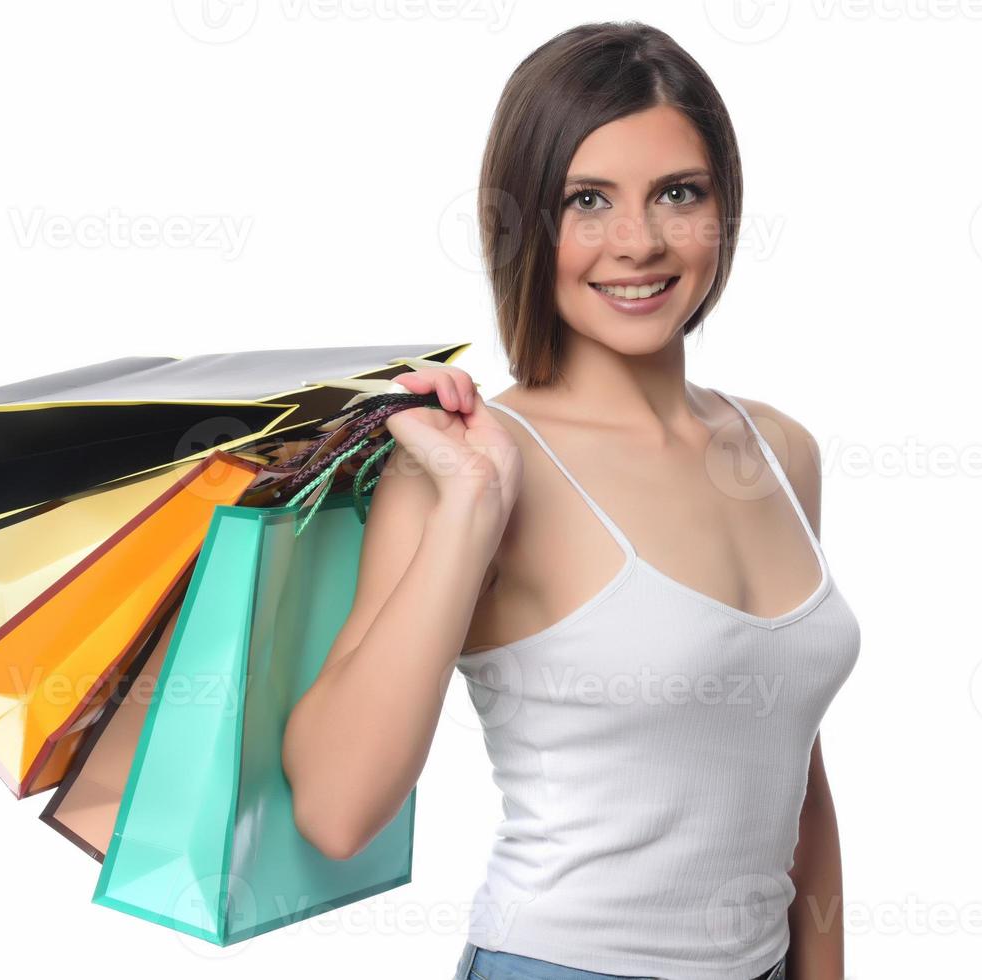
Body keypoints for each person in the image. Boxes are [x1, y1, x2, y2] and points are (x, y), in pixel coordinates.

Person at [283, 21, 860, 980]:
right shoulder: (468, 468)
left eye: (679, 193)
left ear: (726, 208)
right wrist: (470, 506)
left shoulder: (781, 450)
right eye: (585, 200)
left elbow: (793, 775)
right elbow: (337, 811)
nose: (637, 242)